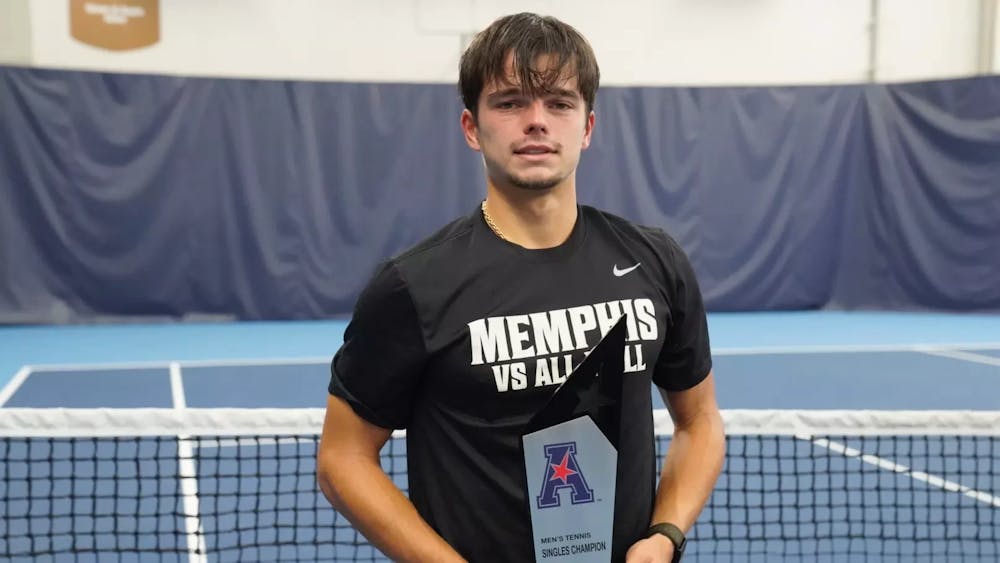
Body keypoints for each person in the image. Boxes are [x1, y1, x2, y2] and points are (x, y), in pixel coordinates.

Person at [317, 12, 725, 563]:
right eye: (510, 102)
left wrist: (665, 536)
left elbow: (699, 423)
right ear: (471, 127)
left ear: (587, 127)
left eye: (558, 103)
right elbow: (343, 459)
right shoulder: (413, 286)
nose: (536, 121)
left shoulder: (655, 263)